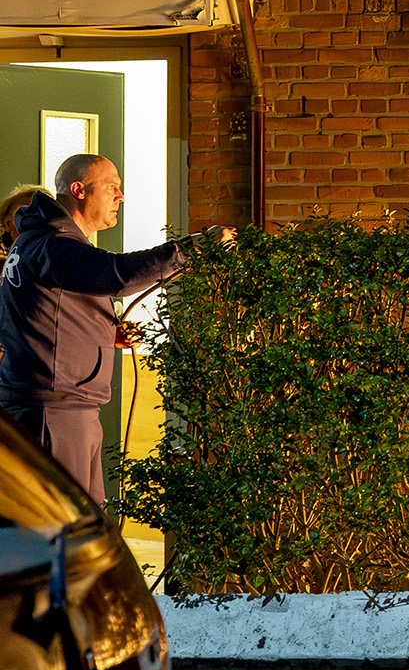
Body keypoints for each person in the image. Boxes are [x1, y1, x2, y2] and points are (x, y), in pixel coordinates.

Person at [0, 155, 234, 503]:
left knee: (86, 528)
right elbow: (116, 274)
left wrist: (103, 332)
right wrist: (191, 249)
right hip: (54, 413)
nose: (120, 196)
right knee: (69, 534)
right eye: (112, 187)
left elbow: (45, 312)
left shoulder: (42, 244)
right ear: (79, 190)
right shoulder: (54, 244)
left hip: (65, 409)